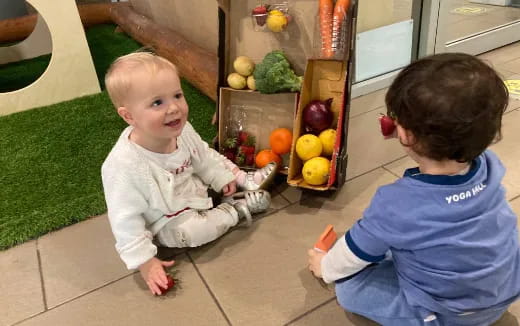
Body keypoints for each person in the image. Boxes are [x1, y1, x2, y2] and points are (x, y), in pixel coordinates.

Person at [308, 53, 520, 325]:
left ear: (405, 135)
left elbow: (351, 253)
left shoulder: (396, 205)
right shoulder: (490, 167)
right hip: (501, 293)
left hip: (451, 314)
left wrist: (324, 266)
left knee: (349, 289)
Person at [102, 52, 276, 295]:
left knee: (210, 153)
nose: (174, 108)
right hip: (168, 216)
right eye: (157, 103)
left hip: (193, 187)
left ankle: (244, 179)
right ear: (129, 116)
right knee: (191, 233)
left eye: (177, 95)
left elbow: (201, 157)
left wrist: (219, 177)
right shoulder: (123, 166)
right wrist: (144, 261)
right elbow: (124, 220)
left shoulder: (181, 130)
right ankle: (235, 210)